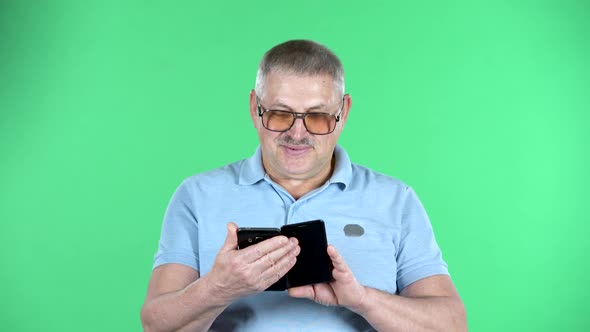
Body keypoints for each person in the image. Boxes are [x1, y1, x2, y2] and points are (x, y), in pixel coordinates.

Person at [140, 39, 467, 331]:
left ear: (344, 112)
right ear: (255, 108)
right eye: (280, 113)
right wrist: (217, 288)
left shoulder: (396, 200)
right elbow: (155, 324)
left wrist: (361, 299)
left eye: (317, 116)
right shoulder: (196, 196)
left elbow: (452, 325)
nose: (297, 133)